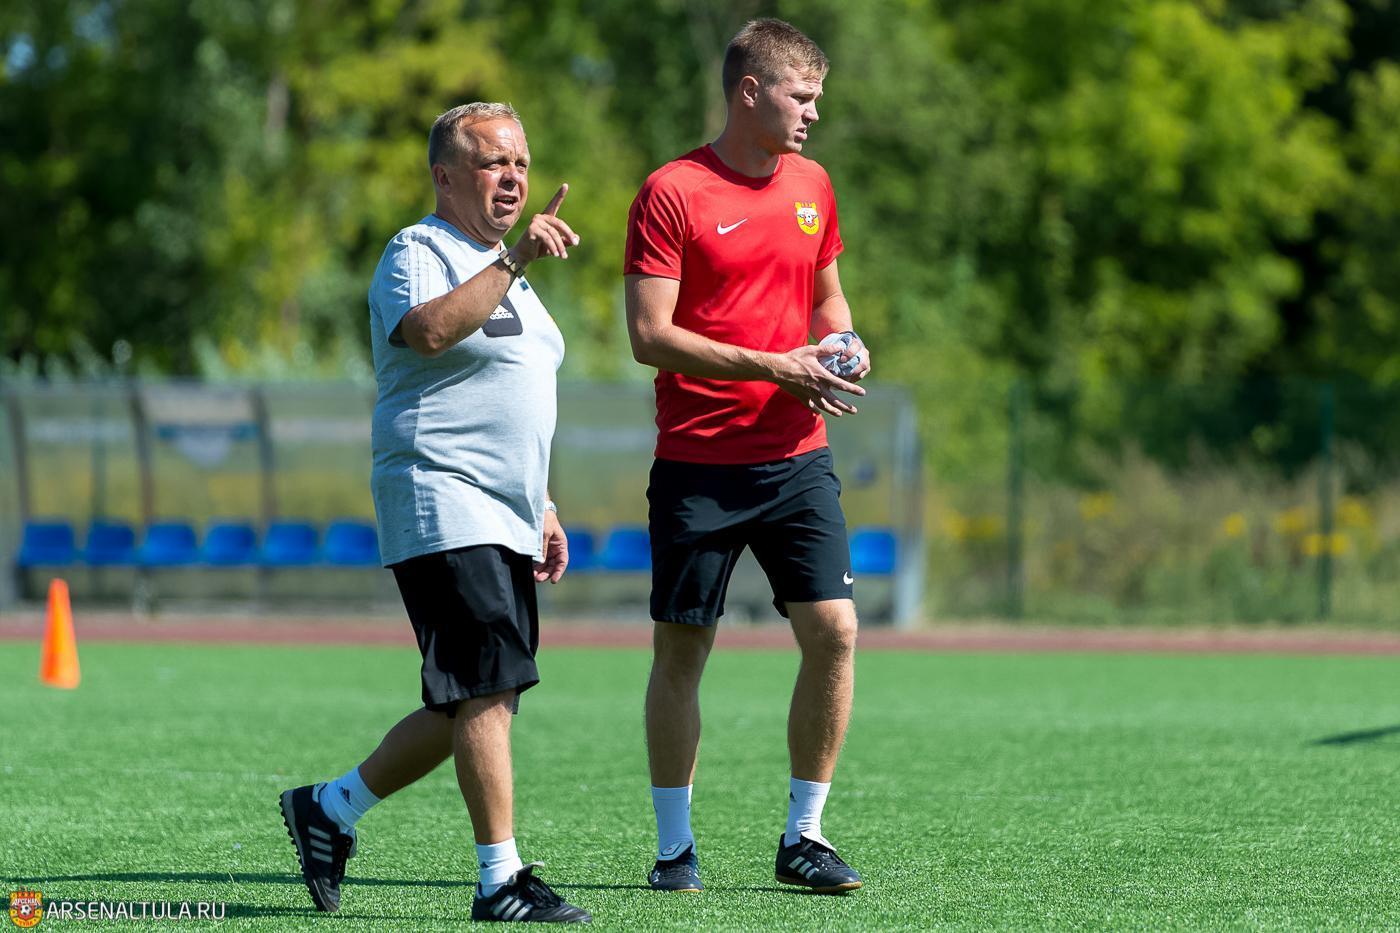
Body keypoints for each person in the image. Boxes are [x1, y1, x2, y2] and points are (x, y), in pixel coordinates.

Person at [279, 101, 590, 924]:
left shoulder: (504, 267)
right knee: (485, 687)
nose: (513, 178)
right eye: (493, 163)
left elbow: (512, 396)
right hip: (441, 493)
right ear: (445, 177)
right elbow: (427, 331)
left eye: (521, 163)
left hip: (504, 510)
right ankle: (500, 881)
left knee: (475, 697)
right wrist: (516, 258)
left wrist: (543, 503)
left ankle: (329, 808)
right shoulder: (417, 250)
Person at [623, 19, 869, 895]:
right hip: (699, 460)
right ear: (750, 91)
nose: (813, 114)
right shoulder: (672, 191)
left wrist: (844, 345)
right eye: (801, 97)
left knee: (835, 632)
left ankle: (805, 835)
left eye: (817, 98)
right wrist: (775, 366)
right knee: (683, 651)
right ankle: (674, 850)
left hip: (798, 456)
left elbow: (829, 301)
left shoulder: (813, 184)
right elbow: (649, 336)